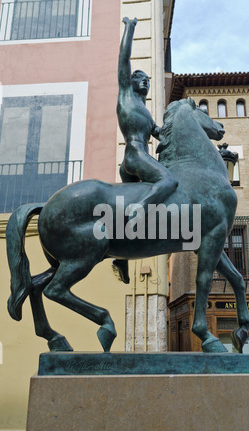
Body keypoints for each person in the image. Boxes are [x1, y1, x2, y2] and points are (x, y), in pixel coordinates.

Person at [113, 17, 178, 283]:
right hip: (134, 154)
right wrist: (130, 28)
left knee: (134, 207)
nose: (145, 81)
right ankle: (138, 210)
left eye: (147, 80)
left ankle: (120, 256)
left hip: (136, 160)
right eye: (140, 78)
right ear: (131, 81)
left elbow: (162, 136)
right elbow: (124, 58)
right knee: (168, 181)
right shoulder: (125, 95)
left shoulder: (146, 113)